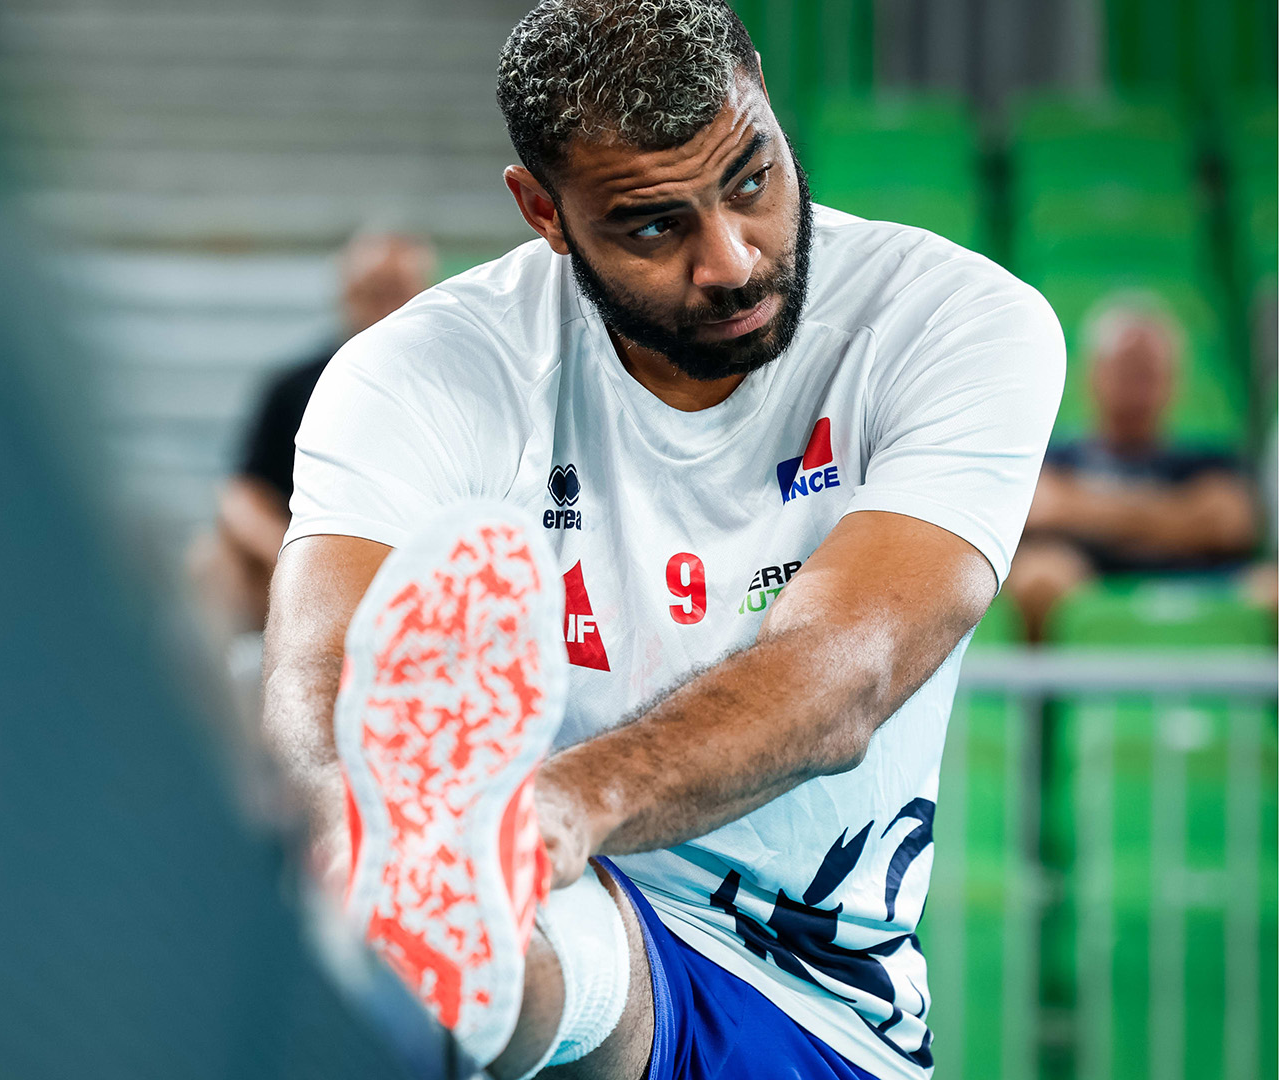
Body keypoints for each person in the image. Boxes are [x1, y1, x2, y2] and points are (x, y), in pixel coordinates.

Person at [260, 3, 1064, 1079]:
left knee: (538, 899)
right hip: (550, 915)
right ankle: (464, 933)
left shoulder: (955, 322)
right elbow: (321, 699)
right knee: (539, 921)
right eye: (653, 226)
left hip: (812, 1001)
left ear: (767, 98)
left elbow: (847, 673)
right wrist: (368, 842)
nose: (730, 260)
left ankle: (477, 920)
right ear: (542, 210)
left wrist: (558, 805)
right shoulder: (415, 374)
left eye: (751, 179)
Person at [192, 231, 436, 635]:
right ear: (346, 295)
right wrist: (293, 556)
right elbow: (242, 494)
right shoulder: (294, 385)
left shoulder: (450, 385)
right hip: (308, 550)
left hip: (413, 556)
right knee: (209, 559)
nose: (385, 306)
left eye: (396, 291)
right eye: (372, 292)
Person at [1005, 297, 1260, 640]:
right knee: (1037, 577)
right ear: (1095, 373)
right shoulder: (1056, 455)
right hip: (1088, 577)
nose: (1139, 388)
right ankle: (1045, 694)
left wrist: (1085, 508)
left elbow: (1230, 523)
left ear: (1173, 381)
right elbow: (1040, 510)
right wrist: (1177, 516)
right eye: (1128, 371)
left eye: (1149, 374)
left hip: (1198, 578)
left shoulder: (1208, 457)